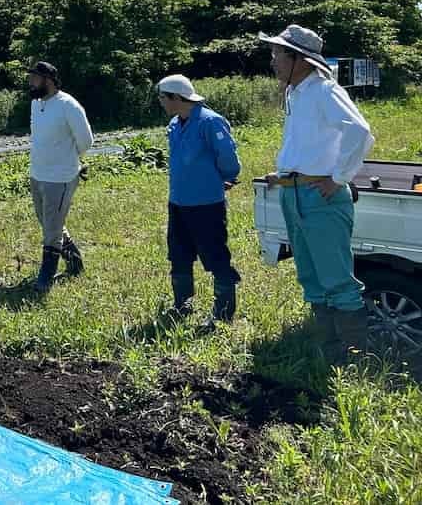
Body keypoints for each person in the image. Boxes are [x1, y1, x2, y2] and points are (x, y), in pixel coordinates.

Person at [259, 24, 375, 361]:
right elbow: (307, 143)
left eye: (278, 54)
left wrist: (338, 177)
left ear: (299, 59)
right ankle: (327, 351)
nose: (274, 60)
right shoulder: (296, 93)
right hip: (295, 192)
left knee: (337, 279)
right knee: (310, 275)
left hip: (319, 195)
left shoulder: (324, 90)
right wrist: (283, 174)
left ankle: (352, 359)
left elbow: (360, 131)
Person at [157, 74, 242, 325]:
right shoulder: (175, 123)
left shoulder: (210, 122)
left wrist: (226, 177)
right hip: (178, 201)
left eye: (163, 97)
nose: (161, 102)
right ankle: (183, 305)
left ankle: (223, 311)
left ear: (176, 97)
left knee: (215, 254)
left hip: (206, 203)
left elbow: (228, 158)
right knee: (179, 254)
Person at [26, 62, 94, 292]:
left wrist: (69, 161)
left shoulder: (68, 105)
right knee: (48, 222)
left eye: (34, 78)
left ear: (48, 80)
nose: (30, 82)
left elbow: (86, 140)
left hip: (61, 177)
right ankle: (74, 259)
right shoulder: (36, 104)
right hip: (37, 173)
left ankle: (46, 274)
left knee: (52, 228)